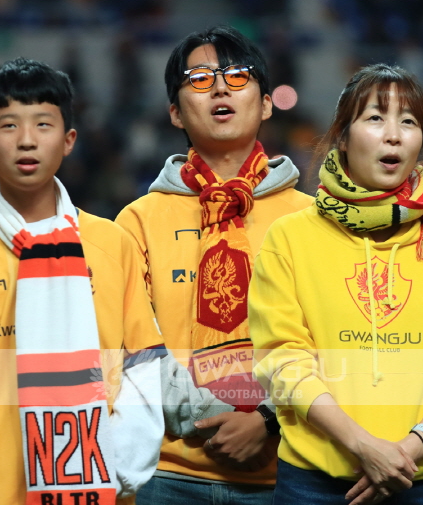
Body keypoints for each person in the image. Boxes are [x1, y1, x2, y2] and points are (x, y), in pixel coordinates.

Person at [0, 58, 166, 505]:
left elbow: (142, 370)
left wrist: (112, 469)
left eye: (43, 124)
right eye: (9, 125)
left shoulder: (112, 245)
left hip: (96, 488)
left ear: (68, 140)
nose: (26, 140)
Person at [249, 63, 423, 505]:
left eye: (409, 121)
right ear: (343, 137)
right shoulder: (290, 237)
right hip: (315, 485)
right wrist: (362, 445)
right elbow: (283, 361)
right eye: (376, 118)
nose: (394, 135)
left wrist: (415, 445)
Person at [116, 25, 312, 504]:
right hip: (166, 473)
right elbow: (131, 346)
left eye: (237, 75)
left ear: (266, 104)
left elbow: (327, 336)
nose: (221, 88)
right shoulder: (138, 221)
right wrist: (205, 418)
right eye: (200, 79)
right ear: (175, 112)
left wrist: (267, 419)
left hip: (288, 473)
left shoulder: (311, 218)